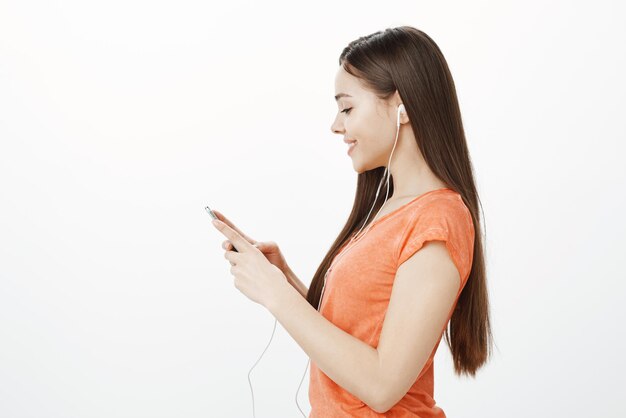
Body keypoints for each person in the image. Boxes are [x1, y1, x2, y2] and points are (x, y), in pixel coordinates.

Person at [212, 25, 493, 417]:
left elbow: (381, 386)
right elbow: (359, 336)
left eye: (347, 108)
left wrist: (274, 295)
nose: (336, 125)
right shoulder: (391, 207)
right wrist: (286, 283)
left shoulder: (438, 220)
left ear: (403, 106)